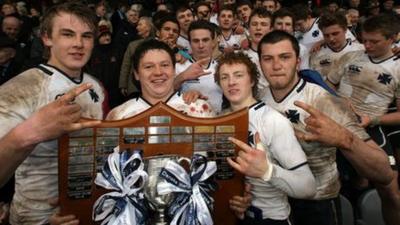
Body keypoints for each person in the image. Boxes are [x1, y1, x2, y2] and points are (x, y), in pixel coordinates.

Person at [259, 30, 393, 225]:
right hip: (272, 202)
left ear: (298, 61)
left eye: (285, 57)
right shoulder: (257, 98)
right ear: (260, 63)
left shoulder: (325, 100)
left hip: (316, 205)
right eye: (268, 59)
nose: (277, 66)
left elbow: (384, 173)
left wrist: (344, 139)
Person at [0, 2, 108, 224]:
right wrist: (31, 132)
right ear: (47, 38)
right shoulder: (21, 88)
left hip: (85, 208)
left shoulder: (96, 87)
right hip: (34, 217)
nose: (78, 44)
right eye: (68, 34)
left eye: (86, 36)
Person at [216, 52, 316, 225]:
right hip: (232, 214)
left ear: (252, 80)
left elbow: (308, 187)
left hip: (270, 218)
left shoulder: (273, 121)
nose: (231, 82)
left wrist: (267, 171)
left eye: (238, 75)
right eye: (224, 77)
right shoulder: (219, 120)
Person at [327, 14, 400, 225]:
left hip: (370, 129)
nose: (367, 45)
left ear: (393, 38)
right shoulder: (350, 57)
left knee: (391, 192)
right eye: (364, 39)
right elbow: (326, 88)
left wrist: (373, 119)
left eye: (374, 41)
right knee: (333, 186)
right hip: (337, 125)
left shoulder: (397, 67)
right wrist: (336, 103)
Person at [107, 39, 214, 120]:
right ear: (136, 74)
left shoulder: (200, 109)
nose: (158, 72)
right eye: (149, 67)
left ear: (174, 70)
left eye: (164, 65)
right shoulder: (119, 115)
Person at [174, 20, 223, 112]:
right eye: (196, 41)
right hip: (188, 122)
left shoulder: (221, 68)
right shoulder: (178, 66)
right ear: (190, 43)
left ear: (213, 42)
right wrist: (183, 76)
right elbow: (165, 94)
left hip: (217, 121)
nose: (201, 45)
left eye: (205, 40)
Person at [309, 12, 364, 80]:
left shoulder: (361, 50)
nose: (331, 39)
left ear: (345, 30)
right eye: (326, 35)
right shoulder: (316, 54)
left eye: (335, 34)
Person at [242, 7, 273, 98]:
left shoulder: (280, 55)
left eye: (263, 24)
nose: (258, 28)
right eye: (254, 24)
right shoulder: (240, 56)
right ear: (248, 28)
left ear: (271, 29)